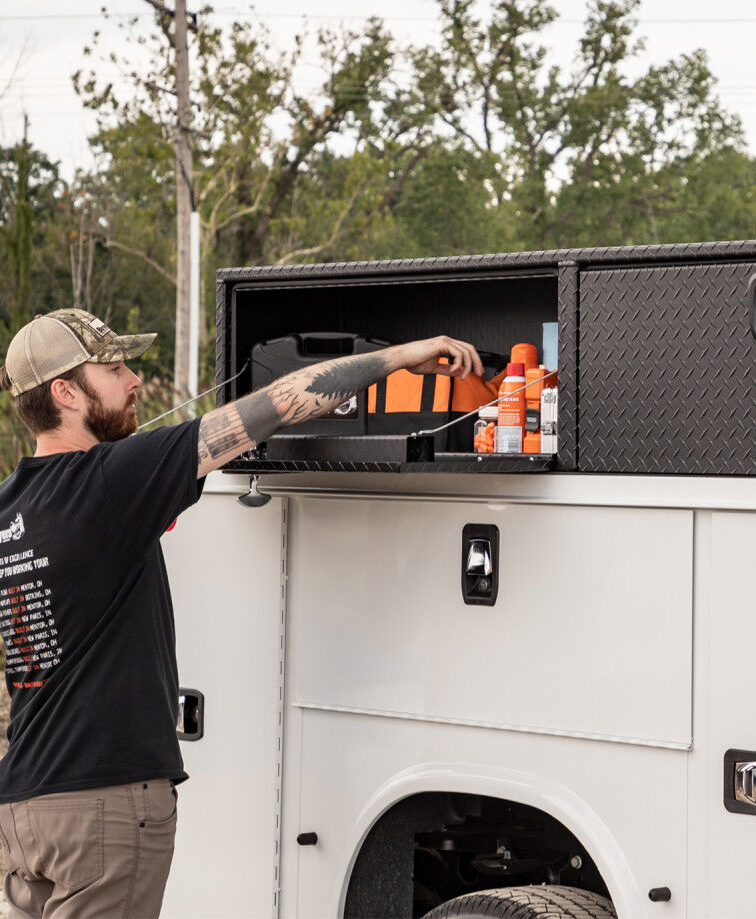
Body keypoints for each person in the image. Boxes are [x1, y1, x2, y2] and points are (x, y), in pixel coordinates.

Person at [0, 308, 482, 919]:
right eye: (116, 369)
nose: (133, 382)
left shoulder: (11, 507)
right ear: (66, 392)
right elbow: (278, 405)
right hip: (101, 805)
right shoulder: (109, 481)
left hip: (21, 809)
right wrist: (402, 355)